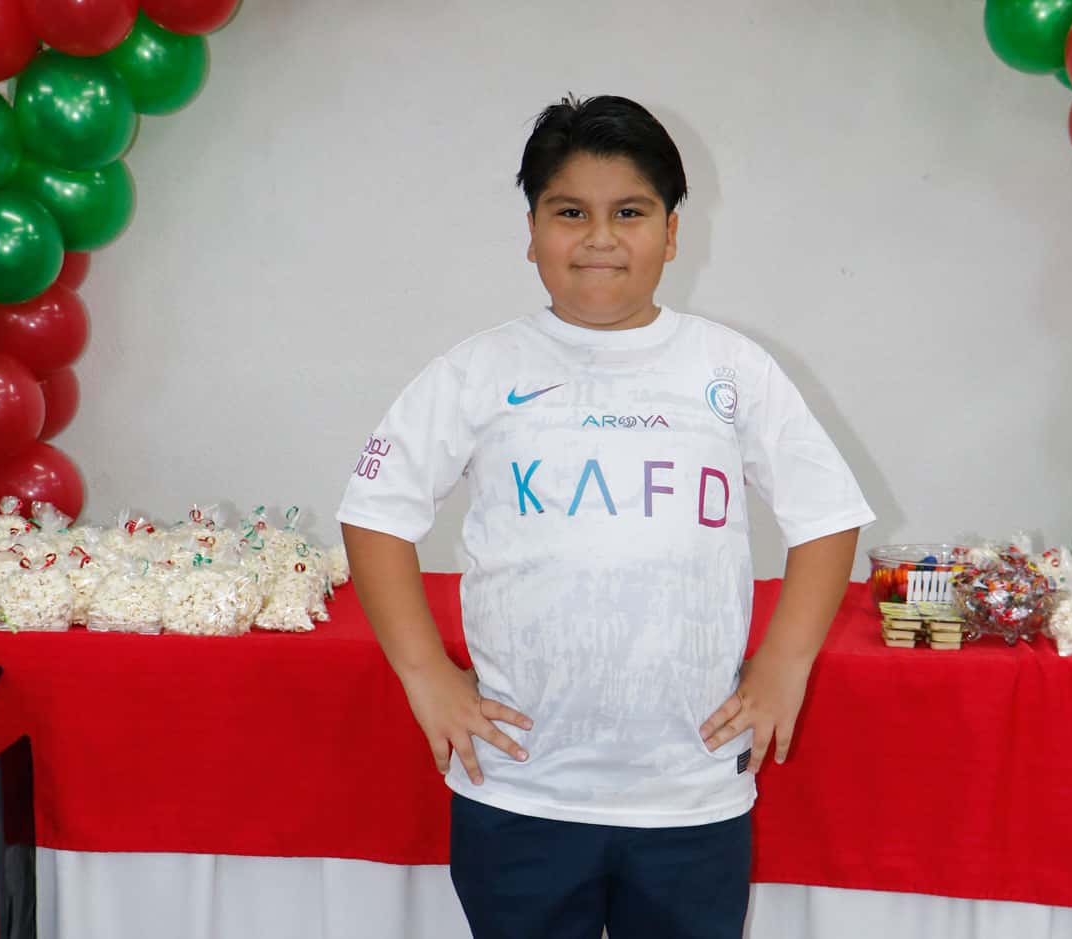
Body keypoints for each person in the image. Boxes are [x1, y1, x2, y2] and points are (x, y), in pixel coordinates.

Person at [338, 94, 874, 939]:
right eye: (569, 212)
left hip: (690, 794)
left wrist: (785, 663)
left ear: (671, 232)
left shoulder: (729, 367)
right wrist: (424, 673)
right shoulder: (480, 370)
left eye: (629, 212)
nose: (599, 237)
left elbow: (828, 515)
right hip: (520, 788)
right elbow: (374, 512)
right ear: (531, 232)